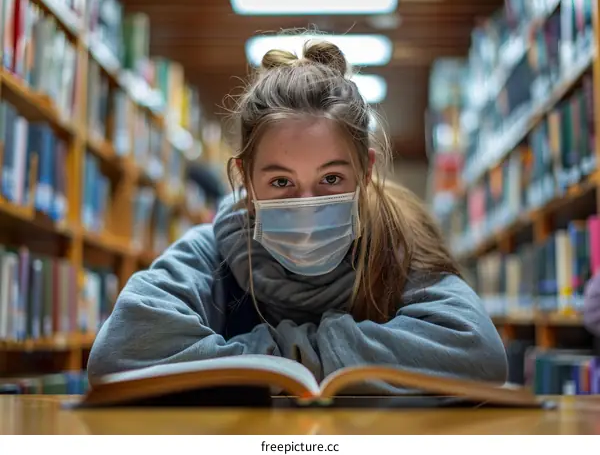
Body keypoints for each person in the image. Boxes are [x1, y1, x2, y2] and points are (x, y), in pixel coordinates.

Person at [87, 38, 508, 389]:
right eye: (281, 182)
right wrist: (304, 362)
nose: (306, 205)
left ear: (366, 172)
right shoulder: (214, 249)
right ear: (246, 182)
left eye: (331, 180)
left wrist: (272, 361)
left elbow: (475, 348)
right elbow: (121, 348)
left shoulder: (397, 243)